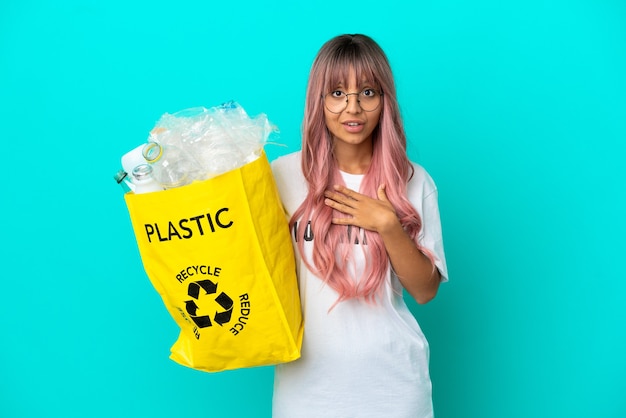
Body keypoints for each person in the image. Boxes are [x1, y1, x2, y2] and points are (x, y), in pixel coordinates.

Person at [270, 34, 448, 418]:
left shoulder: (414, 181)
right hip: (307, 389)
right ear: (319, 100)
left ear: (385, 100)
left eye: (367, 92)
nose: (353, 107)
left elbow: (425, 290)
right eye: (337, 92)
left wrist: (387, 224)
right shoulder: (284, 176)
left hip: (394, 386)